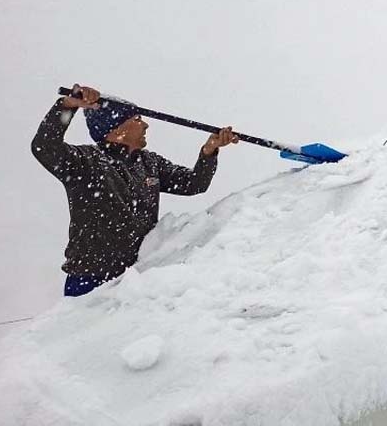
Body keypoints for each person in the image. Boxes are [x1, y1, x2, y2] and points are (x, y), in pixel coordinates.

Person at [31, 84, 239, 297]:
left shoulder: (149, 162)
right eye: (138, 119)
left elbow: (194, 184)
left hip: (136, 278)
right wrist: (68, 105)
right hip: (90, 279)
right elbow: (44, 147)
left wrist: (209, 151)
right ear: (117, 129)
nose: (146, 125)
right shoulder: (85, 162)